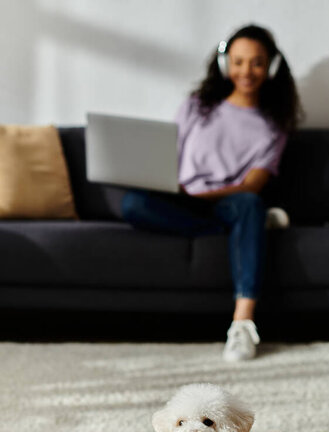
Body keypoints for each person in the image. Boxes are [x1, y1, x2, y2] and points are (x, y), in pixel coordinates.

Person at [121, 24, 303, 361]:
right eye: (238, 61)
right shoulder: (196, 106)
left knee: (249, 203)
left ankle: (242, 324)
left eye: (256, 62)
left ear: (272, 67)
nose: (246, 71)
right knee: (133, 204)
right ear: (224, 64)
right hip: (182, 202)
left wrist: (204, 197)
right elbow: (167, 156)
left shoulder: (273, 125)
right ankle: (251, 228)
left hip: (228, 204)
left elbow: (252, 185)